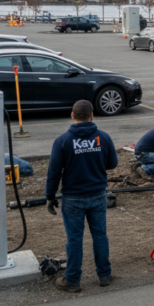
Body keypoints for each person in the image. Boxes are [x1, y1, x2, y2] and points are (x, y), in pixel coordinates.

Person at [46, 100, 118, 293]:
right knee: (100, 235)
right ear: (92, 115)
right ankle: (104, 275)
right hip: (97, 195)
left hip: (73, 198)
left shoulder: (62, 141)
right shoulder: (103, 137)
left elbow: (54, 172)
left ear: (72, 115)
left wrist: (50, 196)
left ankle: (73, 280)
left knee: (75, 239)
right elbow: (112, 163)